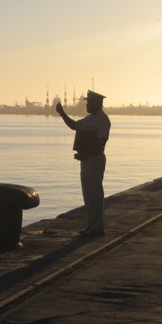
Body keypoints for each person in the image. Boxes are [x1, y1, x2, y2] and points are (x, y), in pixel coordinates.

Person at [56, 90, 111, 237]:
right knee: (88, 193)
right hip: (86, 159)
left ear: (98, 103)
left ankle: (98, 227)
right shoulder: (89, 118)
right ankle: (92, 225)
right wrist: (62, 113)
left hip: (94, 159)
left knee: (95, 193)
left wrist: (85, 153)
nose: (86, 104)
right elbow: (74, 125)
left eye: (89, 102)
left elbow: (101, 142)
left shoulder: (103, 120)